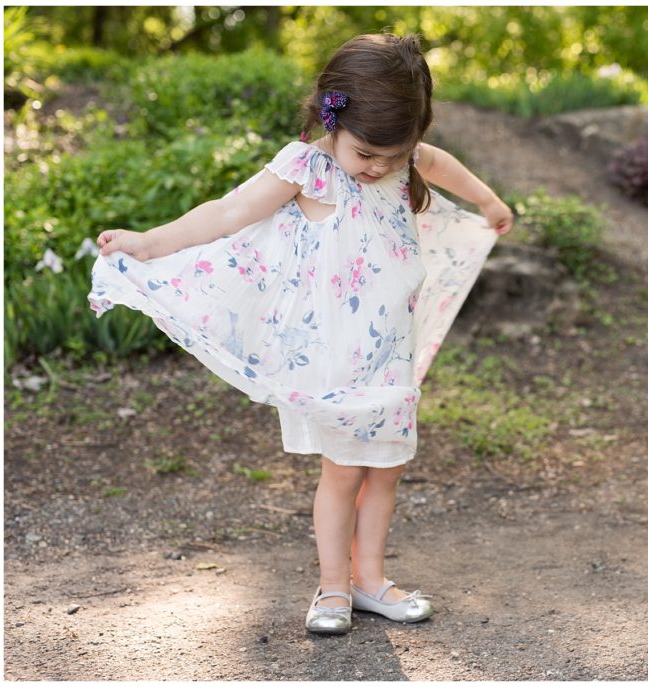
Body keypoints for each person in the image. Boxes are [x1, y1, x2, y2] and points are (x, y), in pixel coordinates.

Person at [88, 33, 513, 635]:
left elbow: (439, 164)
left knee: (387, 468)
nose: (380, 167)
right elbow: (226, 212)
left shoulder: (403, 160)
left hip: (392, 354)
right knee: (343, 472)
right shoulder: (308, 168)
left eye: (394, 155)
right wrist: (147, 243)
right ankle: (333, 586)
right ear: (330, 119)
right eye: (367, 152)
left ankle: (370, 579)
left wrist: (489, 202)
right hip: (335, 358)